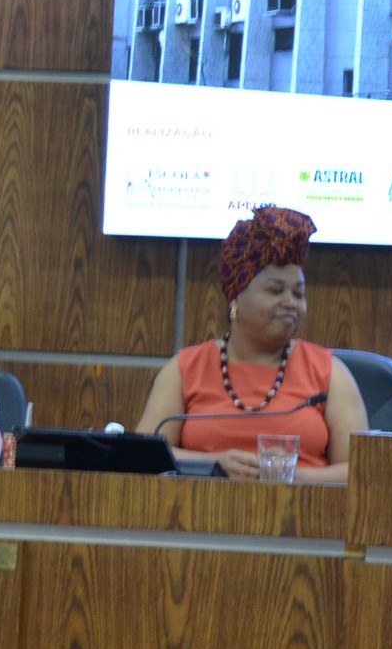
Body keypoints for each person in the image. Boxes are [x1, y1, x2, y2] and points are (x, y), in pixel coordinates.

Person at [135, 206, 368, 482]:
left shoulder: (330, 373)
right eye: (275, 290)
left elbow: (360, 470)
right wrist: (214, 464)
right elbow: (143, 455)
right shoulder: (185, 369)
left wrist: (284, 476)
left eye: (298, 293)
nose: (291, 303)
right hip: (199, 505)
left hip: (304, 508)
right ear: (236, 297)